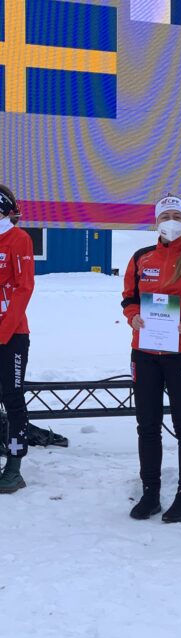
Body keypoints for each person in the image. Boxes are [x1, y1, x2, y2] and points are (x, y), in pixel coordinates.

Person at [122, 195, 181, 522]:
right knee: (147, 424)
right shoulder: (141, 257)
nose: (171, 221)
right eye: (165, 216)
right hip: (145, 352)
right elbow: (129, 298)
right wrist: (133, 316)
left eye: (177, 216)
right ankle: (150, 494)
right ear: (156, 222)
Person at [0, 185, 35, 493]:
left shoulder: (18, 238)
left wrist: (2, 333)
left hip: (11, 336)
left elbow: (24, 288)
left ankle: (14, 467)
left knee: (12, 397)